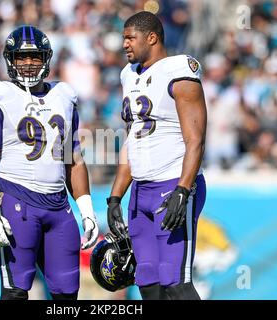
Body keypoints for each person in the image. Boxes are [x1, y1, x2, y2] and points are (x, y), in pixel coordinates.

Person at [0, 25, 99, 300]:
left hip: (58, 207)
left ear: (47, 59)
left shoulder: (64, 96)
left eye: (35, 57)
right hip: (18, 202)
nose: (28, 64)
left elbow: (73, 158)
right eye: (21, 57)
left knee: (67, 294)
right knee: (16, 292)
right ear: (10, 60)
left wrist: (87, 210)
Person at [106, 11, 207, 300]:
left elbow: (196, 140)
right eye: (123, 38)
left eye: (130, 38)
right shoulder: (128, 74)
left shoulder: (179, 69)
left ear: (151, 38)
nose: (124, 44)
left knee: (176, 282)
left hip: (172, 184)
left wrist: (183, 190)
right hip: (140, 191)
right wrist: (115, 197)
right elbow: (132, 140)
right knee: (147, 283)